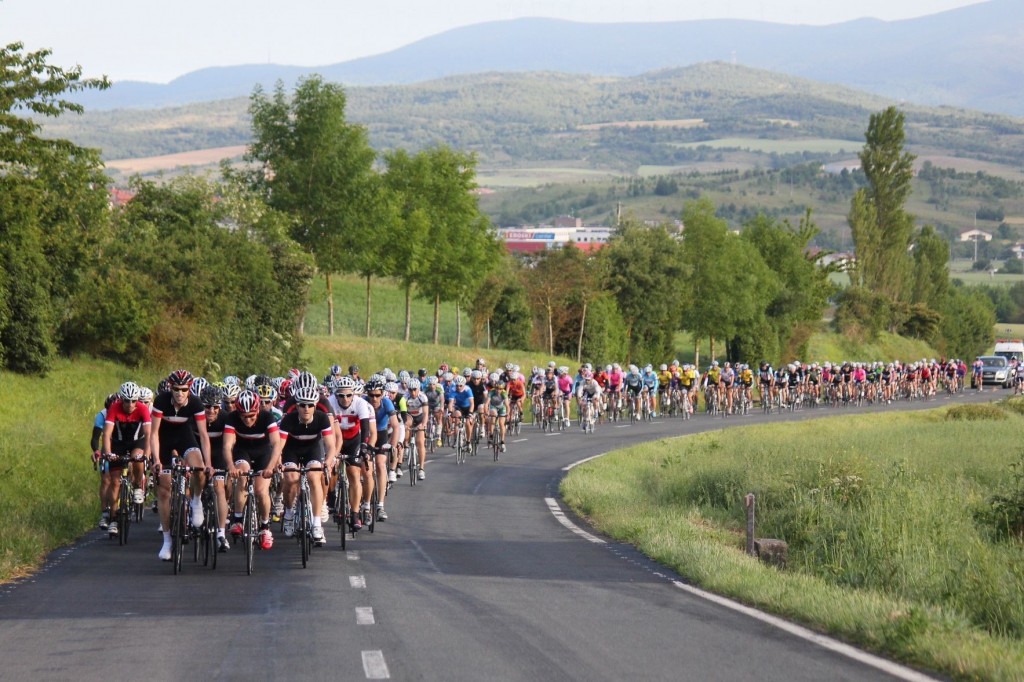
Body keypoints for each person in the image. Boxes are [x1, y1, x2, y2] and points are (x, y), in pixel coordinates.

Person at [150, 369, 212, 561]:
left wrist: (208, 463)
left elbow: (203, 435)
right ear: (170, 388)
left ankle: (196, 500)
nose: (179, 393)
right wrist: (157, 461)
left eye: (183, 389)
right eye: (176, 389)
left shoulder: (195, 403)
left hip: (185, 438)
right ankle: (167, 541)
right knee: (163, 490)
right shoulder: (161, 401)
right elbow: (153, 433)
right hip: (164, 440)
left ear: (189, 389)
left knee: (199, 469)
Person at [275, 385, 336, 546]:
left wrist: (328, 462)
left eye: (310, 405)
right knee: (291, 477)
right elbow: (279, 446)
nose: (306, 409)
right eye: (302, 405)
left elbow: (330, 446)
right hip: (292, 449)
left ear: (315, 406)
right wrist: (278, 462)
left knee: (314, 477)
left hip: (312, 449)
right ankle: (288, 513)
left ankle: (316, 524)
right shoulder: (288, 419)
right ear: (297, 406)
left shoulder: (322, 418)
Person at [224, 389, 281, 551]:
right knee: (242, 476)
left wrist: (270, 467)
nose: (247, 420)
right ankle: (238, 519)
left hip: (264, 453)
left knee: (261, 490)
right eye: (244, 416)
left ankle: (265, 527)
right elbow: (227, 445)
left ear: (257, 411)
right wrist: (230, 466)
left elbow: (276, 444)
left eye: (251, 416)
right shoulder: (232, 418)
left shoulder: (267, 417)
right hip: (243, 451)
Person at [101, 382, 152, 536]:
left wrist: (147, 455)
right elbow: (107, 433)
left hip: (137, 441)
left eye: (133, 401)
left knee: (138, 459)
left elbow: (149, 435)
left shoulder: (142, 409)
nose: (130, 405)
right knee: (115, 482)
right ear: (121, 399)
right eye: (126, 401)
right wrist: (108, 453)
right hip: (118, 443)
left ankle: (137, 487)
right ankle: (114, 518)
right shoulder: (114, 408)